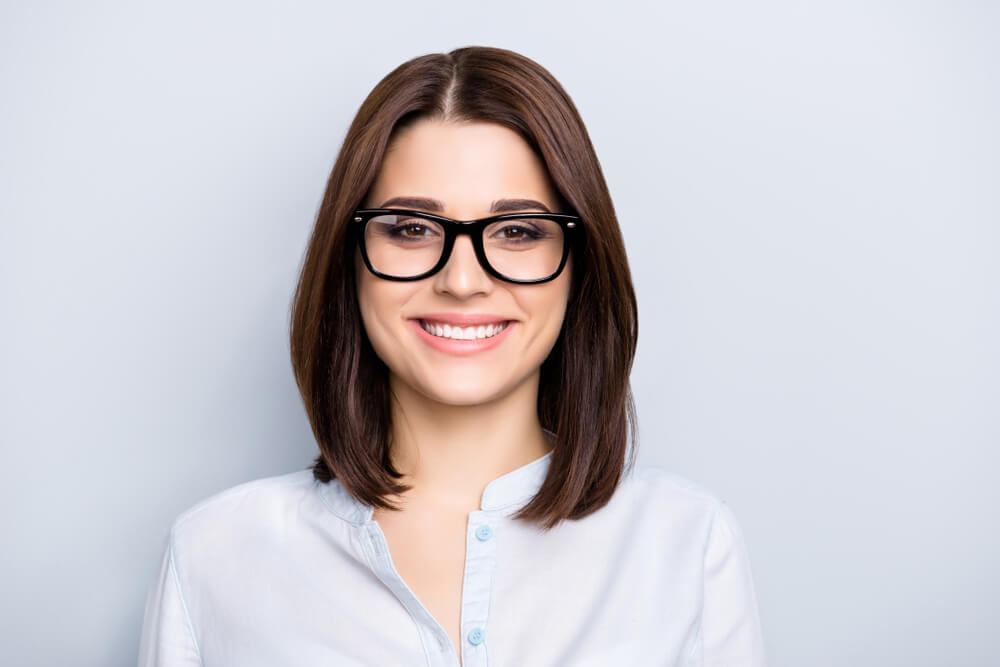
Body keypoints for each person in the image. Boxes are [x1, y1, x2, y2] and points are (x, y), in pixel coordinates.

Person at [137, 45, 766, 667]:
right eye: (411, 229)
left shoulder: (686, 544)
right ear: (350, 261)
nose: (462, 281)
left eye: (517, 232)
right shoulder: (215, 555)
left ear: (579, 266)